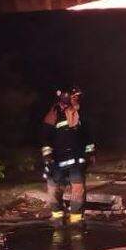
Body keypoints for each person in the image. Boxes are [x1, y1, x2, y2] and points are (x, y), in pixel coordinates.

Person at [41, 87, 94, 227]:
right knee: (54, 190)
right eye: (74, 97)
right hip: (57, 162)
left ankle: (76, 220)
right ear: (65, 98)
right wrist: (48, 158)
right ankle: (58, 217)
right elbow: (45, 139)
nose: (76, 100)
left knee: (78, 190)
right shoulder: (53, 115)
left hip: (76, 161)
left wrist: (90, 153)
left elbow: (88, 136)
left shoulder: (79, 115)